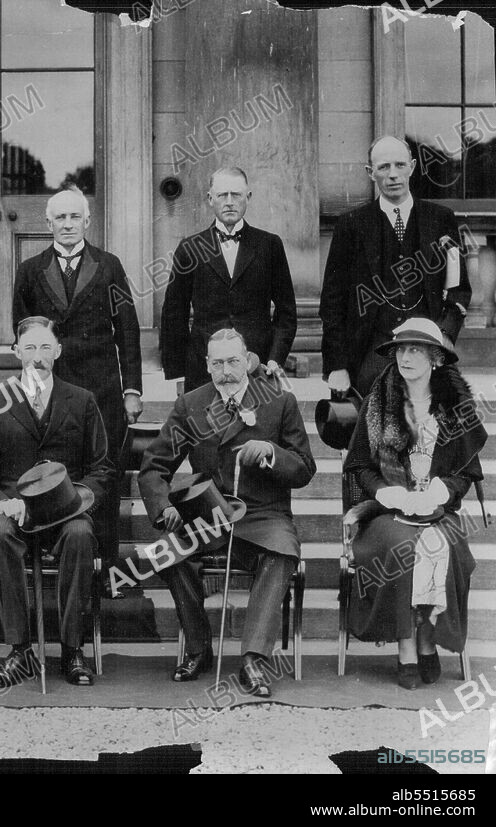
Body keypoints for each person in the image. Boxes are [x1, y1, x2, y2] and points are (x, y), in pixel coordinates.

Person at [139, 328, 316, 697]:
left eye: (233, 361)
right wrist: (164, 506)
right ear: (207, 365)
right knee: (166, 552)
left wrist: (271, 453)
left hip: (263, 514)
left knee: (282, 551)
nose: (226, 371)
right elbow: (154, 465)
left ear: (247, 360)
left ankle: (254, 658)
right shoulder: (191, 405)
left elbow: (304, 468)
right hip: (207, 515)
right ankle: (198, 646)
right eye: (217, 363)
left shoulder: (279, 401)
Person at [0, 316, 114, 687]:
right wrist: (2, 503)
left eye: (46, 347)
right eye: (29, 348)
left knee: (80, 534)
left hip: (67, 510)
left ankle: (72, 649)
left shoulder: (82, 400)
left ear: (58, 351)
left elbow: (103, 468)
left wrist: (77, 499)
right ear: (16, 352)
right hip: (15, 509)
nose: (37, 356)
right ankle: (20, 651)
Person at [343, 317, 484, 690]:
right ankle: (407, 644)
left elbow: (466, 474)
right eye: (400, 350)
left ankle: (427, 637)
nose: (405, 358)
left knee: (443, 546)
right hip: (387, 514)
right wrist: (385, 492)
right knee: (403, 547)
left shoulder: (455, 407)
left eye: (415, 350)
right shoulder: (379, 403)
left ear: (435, 358)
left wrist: (443, 490)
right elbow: (360, 466)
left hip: (439, 512)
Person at [12, 186, 141, 591]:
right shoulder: (30, 270)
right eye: (60, 218)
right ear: (48, 223)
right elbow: (23, 334)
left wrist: (132, 390)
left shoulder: (109, 265)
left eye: (74, 217)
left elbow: (128, 330)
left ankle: (108, 570)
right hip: (52, 389)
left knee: (104, 474)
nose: (67, 225)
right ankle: (54, 559)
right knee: (52, 468)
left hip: (102, 388)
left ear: (87, 221)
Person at [320, 135, 472, 397]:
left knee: (450, 407)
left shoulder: (440, 219)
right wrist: (337, 366)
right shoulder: (351, 225)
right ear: (370, 172)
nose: (393, 174)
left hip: (428, 346)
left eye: (400, 165)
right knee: (374, 408)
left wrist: (444, 336)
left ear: (412, 167)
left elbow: (459, 289)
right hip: (372, 351)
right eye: (383, 167)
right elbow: (332, 302)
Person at [160, 166, 296, 392]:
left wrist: (275, 359)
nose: (230, 202)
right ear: (210, 199)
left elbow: (287, 311)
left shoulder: (269, 245)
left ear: (248, 197)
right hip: (203, 369)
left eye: (236, 195)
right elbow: (174, 314)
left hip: (257, 366)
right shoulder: (190, 248)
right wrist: (179, 373)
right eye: (223, 195)